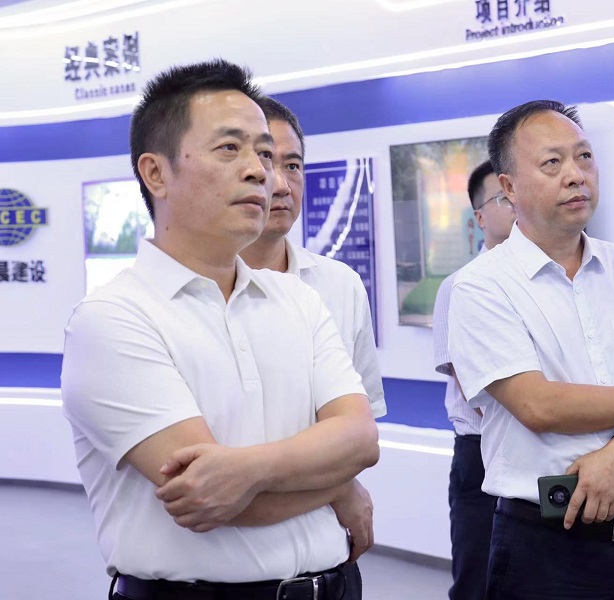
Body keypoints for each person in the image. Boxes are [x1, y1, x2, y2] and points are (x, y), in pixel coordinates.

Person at [61, 59, 379, 600]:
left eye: (265, 153)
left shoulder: (299, 299)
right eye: (229, 148)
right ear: (156, 173)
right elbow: (215, 502)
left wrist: (247, 469)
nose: (261, 172)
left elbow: (361, 439)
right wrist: (334, 482)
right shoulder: (113, 318)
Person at [448, 99, 614, 599]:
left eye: (584, 156)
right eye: (552, 162)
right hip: (548, 549)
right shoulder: (481, 286)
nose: (575, 175)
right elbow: (540, 406)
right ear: (509, 187)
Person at [238, 98, 385, 562]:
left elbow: (359, 434)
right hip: (227, 552)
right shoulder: (197, 291)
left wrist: (343, 481)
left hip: (329, 550)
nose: (281, 184)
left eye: (294, 165)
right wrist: (339, 488)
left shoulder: (339, 284)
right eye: (266, 161)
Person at [432, 160, 516, 599]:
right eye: (503, 198)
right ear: (480, 217)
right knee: (477, 579)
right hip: (483, 451)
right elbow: (474, 388)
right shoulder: (460, 286)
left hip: (542, 450)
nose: (515, 204)